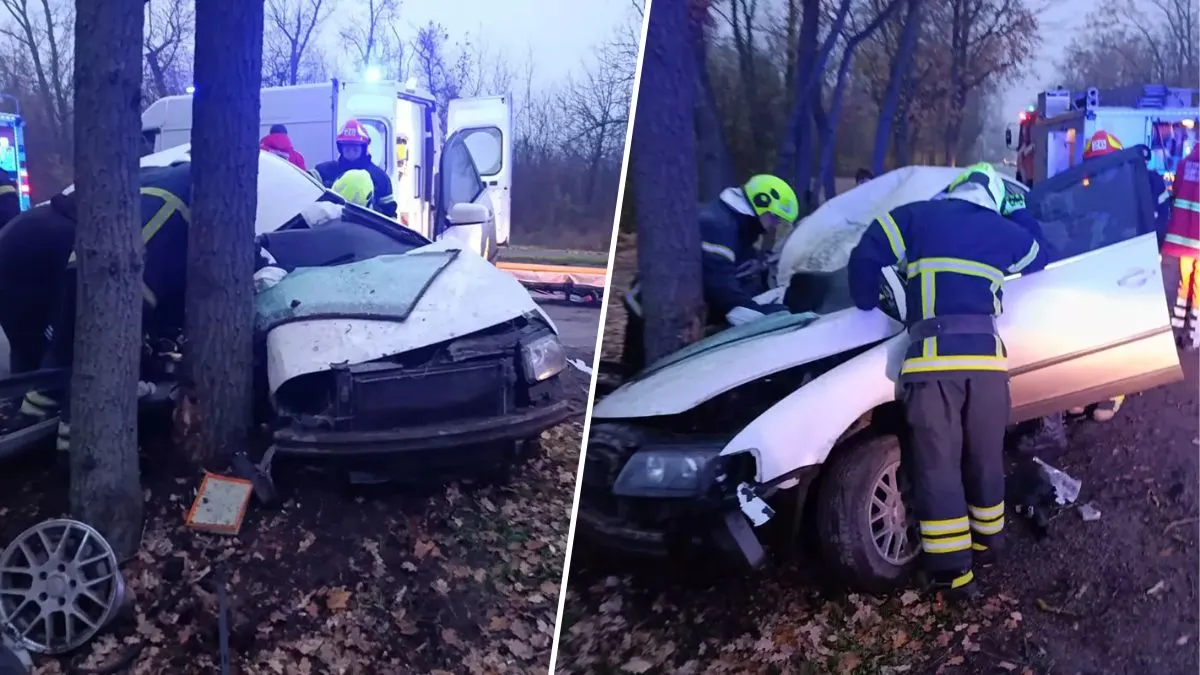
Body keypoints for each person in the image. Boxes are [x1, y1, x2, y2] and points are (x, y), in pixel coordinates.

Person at [847, 162, 1049, 600]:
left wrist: (866, 300)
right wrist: (1017, 210)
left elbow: (867, 253)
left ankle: (955, 576)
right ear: (993, 198)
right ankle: (987, 541)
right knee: (983, 457)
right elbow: (1040, 253)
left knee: (937, 467)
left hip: (932, 367)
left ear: (954, 189)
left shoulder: (916, 216)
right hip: (988, 369)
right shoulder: (1003, 230)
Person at [0, 161, 275, 453]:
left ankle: (32, 425)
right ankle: (76, 447)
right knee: (85, 353)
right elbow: (126, 308)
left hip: (35, 245)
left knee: (47, 354)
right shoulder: (183, 208)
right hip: (73, 259)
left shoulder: (164, 180)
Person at [620, 174, 800, 371]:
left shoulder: (733, 224)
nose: (774, 226)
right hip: (650, 311)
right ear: (760, 204)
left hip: (664, 310)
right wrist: (757, 313)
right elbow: (719, 284)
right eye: (774, 218)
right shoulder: (718, 225)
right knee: (638, 377)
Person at [311, 119, 397, 218]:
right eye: (347, 148)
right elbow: (303, 186)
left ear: (364, 148)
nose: (351, 152)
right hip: (330, 230)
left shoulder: (381, 178)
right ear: (340, 148)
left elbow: (390, 215)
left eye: (355, 149)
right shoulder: (324, 171)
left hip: (365, 230)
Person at [1162, 142, 1200, 349]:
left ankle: (1176, 330)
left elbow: (1176, 192)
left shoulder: (1185, 164)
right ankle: (1193, 336)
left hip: (1183, 240)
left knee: (1184, 284)